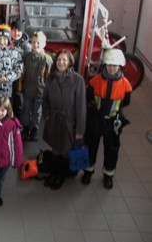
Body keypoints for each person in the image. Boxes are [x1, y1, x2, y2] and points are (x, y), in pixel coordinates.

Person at [82, 49, 132, 189]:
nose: (112, 68)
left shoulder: (125, 84)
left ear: (120, 66)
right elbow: (90, 97)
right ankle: (88, 171)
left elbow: (126, 102)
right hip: (95, 120)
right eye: (109, 64)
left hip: (113, 122)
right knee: (91, 146)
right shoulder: (95, 81)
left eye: (115, 65)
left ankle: (108, 175)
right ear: (105, 65)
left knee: (111, 150)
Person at [42, 49, 86, 190]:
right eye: (59, 60)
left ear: (69, 63)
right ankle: (54, 173)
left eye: (64, 60)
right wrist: (47, 114)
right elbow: (45, 99)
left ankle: (61, 176)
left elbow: (81, 107)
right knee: (55, 148)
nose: (61, 62)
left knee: (65, 150)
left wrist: (79, 130)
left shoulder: (77, 80)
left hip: (69, 122)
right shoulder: (51, 78)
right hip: (54, 120)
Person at [20, 31, 53, 142]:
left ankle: (34, 129)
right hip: (27, 89)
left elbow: (49, 78)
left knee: (36, 111)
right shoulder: (27, 57)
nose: (35, 45)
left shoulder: (47, 59)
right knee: (26, 110)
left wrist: (48, 93)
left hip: (40, 92)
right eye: (33, 42)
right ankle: (25, 128)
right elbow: (22, 73)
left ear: (44, 44)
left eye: (38, 42)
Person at [10, 18, 32, 120]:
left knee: (19, 100)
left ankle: (18, 122)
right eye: (14, 30)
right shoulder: (6, 41)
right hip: (9, 75)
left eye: (19, 30)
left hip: (20, 77)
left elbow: (28, 63)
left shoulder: (26, 46)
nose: (16, 33)